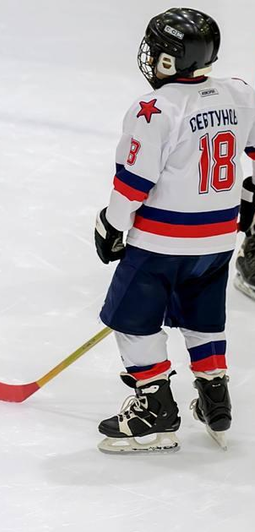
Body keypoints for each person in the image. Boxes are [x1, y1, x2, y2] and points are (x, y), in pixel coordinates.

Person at [94, 8, 255, 453]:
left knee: (131, 321)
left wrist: (112, 225)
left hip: (162, 243)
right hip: (219, 241)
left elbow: (133, 184)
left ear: (169, 60)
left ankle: (154, 410)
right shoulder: (240, 93)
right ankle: (215, 397)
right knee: (203, 317)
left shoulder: (155, 109)